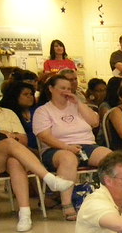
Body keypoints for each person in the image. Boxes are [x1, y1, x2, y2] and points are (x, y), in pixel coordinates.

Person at [0, 82, 76, 231]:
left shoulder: (7, 113)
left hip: (4, 156)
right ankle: (49, 179)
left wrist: (9, 136)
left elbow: (24, 139)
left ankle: (24, 214)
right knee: (8, 143)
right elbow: (13, 139)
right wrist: (6, 135)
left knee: (14, 161)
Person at [33, 73, 112, 218]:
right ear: (51, 89)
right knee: (68, 159)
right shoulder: (43, 111)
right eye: (62, 88)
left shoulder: (77, 106)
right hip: (56, 149)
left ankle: (109, 199)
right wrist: (67, 147)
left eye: (68, 88)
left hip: (86, 145)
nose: (66, 91)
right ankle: (67, 204)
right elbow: (44, 136)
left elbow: (95, 122)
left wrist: (79, 104)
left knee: (110, 157)